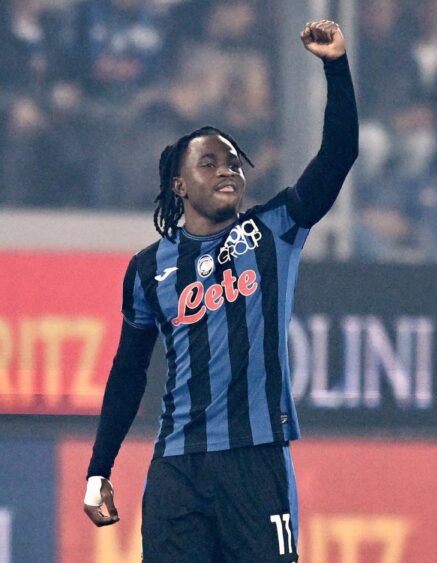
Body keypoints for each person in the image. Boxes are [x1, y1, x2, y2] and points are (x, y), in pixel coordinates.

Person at [83, 20, 358, 562]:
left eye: (233, 161)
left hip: (257, 459)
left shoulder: (274, 230)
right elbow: (128, 372)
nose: (227, 169)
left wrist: (337, 67)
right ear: (179, 185)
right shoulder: (147, 269)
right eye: (208, 163)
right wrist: (99, 469)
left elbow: (339, 154)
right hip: (178, 468)